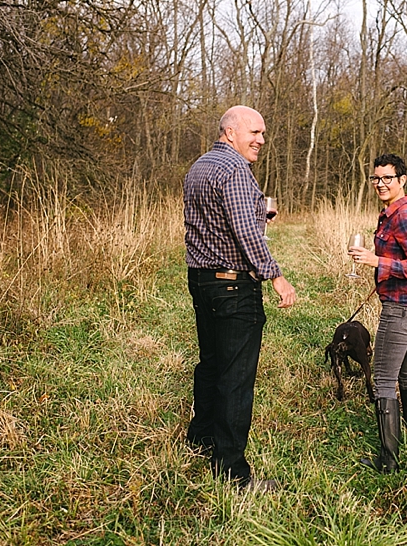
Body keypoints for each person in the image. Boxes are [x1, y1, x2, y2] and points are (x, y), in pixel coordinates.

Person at [183, 105, 296, 491]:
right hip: (233, 287)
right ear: (230, 132)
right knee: (236, 378)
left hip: (202, 281)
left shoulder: (199, 166)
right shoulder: (235, 170)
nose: (261, 140)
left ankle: (200, 439)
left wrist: (258, 215)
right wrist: (276, 276)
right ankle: (232, 472)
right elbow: (247, 236)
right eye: (255, 132)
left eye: (263, 133)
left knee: (211, 364)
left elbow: (216, 224)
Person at [348, 153, 407, 473]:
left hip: (401, 309)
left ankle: (388, 461)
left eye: (387, 178)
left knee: (383, 379)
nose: (380, 184)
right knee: (405, 373)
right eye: (376, 178)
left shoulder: (403, 216)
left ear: (402, 180)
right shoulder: (391, 213)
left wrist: (376, 262)